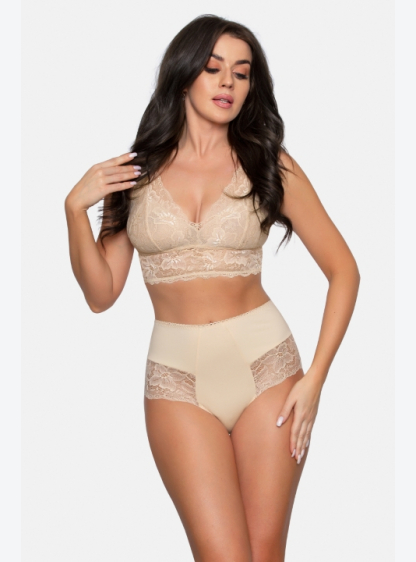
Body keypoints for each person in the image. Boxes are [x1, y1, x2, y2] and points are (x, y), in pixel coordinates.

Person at [64, 14, 360, 562]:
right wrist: (74, 211)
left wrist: (315, 380)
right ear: (183, 76)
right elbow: (101, 294)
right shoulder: (132, 174)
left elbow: (345, 270)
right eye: (213, 67)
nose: (228, 82)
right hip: (175, 380)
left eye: (242, 73)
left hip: (268, 369)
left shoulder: (269, 163)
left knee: (264, 553)